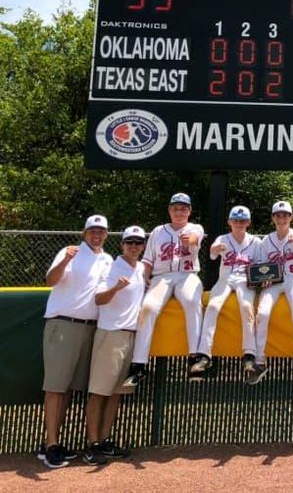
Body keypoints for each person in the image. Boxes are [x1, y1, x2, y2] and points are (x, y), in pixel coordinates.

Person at [39, 214, 114, 469]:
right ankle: (50, 446)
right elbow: (50, 280)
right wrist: (66, 261)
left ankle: (53, 443)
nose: (96, 234)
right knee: (56, 387)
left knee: (68, 388)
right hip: (63, 323)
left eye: (100, 231)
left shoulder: (107, 259)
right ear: (84, 232)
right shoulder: (69, 252)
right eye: (92, 230)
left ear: (106, 234)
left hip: (90, 328)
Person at [123, 193, 205, 386]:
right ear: (169, 210)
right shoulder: (158, 231)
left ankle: (194, 358)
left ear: (189, 211)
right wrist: (143, 281)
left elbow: (195, 238)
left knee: (193, 302)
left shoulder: (195, 228)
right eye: (175, 208)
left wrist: (190, 240)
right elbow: (148, 261)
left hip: (188, 274)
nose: (179, 212)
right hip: (161, 277)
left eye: (183, 208)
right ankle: (139, 365)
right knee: (148, 307)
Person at [83, 225, 148, 465]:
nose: (133, 246)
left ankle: (106, 440)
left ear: (143, 246)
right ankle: (92, 444)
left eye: (138, 243)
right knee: (100, 391)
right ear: (122, 245)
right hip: (111, 333)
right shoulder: (112, 267)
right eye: (129, 242)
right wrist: (116, 287)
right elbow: (99, 299)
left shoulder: (141, 268)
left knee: (116, 393)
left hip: (131, 336)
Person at [190, 205, 262, 381]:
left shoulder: (256, 242)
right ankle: (204, 354)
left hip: (245, 280)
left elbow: (261, 266)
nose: (239, 223)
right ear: (230, 222)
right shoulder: (223, 238)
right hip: (225, 279)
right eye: (236, 220)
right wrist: (216, 249)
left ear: (248, 222)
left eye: (243, 220)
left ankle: (249, 354)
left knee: (246, 307)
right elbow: (213, 254)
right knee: (213, 306)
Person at [253, 201, 293, 384]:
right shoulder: (266, 240)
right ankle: (259, 362)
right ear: (273, 218)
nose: (282, 218)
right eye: (278, 215)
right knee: (262, 313)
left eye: (285, 215)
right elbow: (262, 267)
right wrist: (264, 279)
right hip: (274, 282)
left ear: (291, 217)